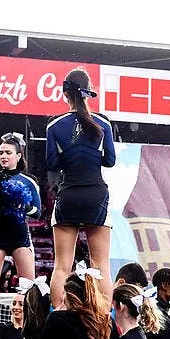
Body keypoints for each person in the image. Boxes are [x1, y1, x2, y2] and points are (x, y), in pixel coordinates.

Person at [46, 69, 116, 308]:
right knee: (100, 264)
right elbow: (110, 161)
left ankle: (59, 316)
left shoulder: (54, 125)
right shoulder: (103, 122)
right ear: (88, 92)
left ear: (65, 93)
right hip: (96, 194)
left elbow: (52, 164)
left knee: (62, 265)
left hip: (69, 194)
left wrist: (71, 156)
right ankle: (105, 320)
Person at [0, 133, 41, 333]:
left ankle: (31, 328)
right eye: (0, 153)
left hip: (20, 235)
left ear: (18, 155)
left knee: (28, 287)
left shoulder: (29, 180)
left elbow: (37, 212)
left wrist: (20, 205)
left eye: (8, 153)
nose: (3, 156)